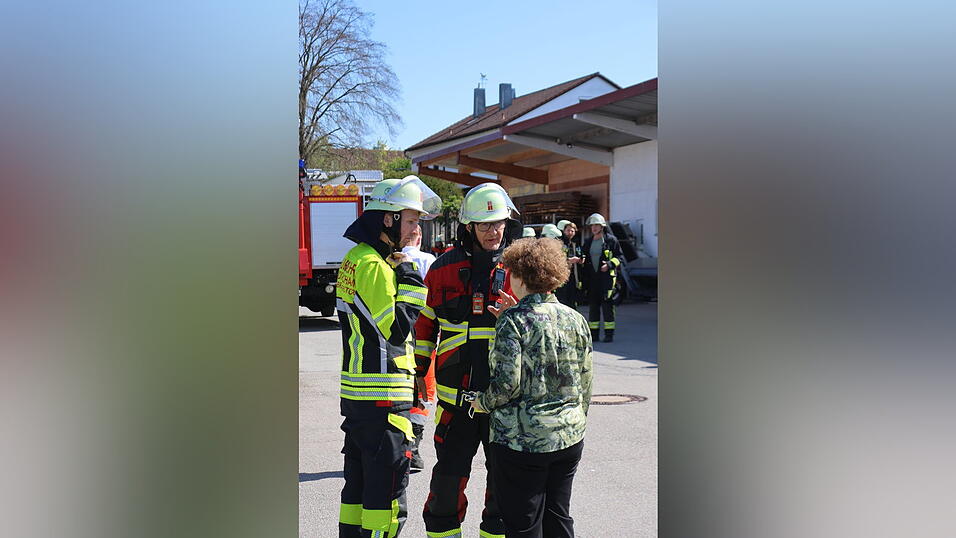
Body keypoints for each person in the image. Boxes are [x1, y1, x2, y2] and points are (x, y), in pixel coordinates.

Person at [414, 182, 522, 538]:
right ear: (469, 228)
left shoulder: (520, 268)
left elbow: (543, 323)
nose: (494, 231)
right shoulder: (442, 269)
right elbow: (425, 325)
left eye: (499, 223)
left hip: (504, 404)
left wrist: (519, 312)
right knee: (446, 486)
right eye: (485, 224)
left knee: (505, 491)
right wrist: (417, 373)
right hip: (455, 404)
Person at [336, 176, 442, 538]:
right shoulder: (376, 266)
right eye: (411, 221)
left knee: (357, 494)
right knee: (386, 500)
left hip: (360, 398)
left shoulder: (356, 258)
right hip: (383, 400)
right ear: (388, 220)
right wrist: (411, 272)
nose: (415, 231)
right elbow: (396, 328)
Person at [470, 237, 593, 538]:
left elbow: (505, 385)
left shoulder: (513, 322)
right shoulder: (576, 319)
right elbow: (586, 381)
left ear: (520, 276)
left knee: (523, 524)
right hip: (568, 436)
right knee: (558, 516)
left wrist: (480, 403)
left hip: (522, 442)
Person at [400, 225, 437, 473]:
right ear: (420, 238)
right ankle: (414, 447)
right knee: (424, 390)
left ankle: (401, 445)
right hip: (424, 335)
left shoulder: (388, 260)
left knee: (401, 391)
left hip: (397, 336)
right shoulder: (429, 261)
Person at [580, 213, 623, 342]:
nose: (594, 228)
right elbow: (583, 255)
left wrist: (609, 265)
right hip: (592, 279)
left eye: (596, 225)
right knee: (593, 307)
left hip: (606, 280)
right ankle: (594, 335)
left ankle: (609, 335)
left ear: (602, 226)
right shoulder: (588, 242)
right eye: (592, 225)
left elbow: (619, 257)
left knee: (607, 306)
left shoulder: (611, 240)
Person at [553, 220, 585, 308]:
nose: (570, 232)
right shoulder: (560, 242)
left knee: (573, 301)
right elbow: (556, 259)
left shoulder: (576, 243)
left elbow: (581, 254)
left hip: (574, 277)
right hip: (562, 276)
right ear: (564, 231)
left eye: (572, 231)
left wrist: (581, 259)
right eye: (568, 230)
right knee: (563, 301)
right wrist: (568, 260)